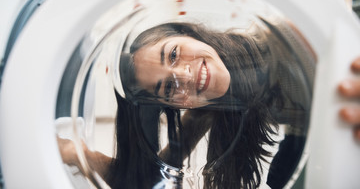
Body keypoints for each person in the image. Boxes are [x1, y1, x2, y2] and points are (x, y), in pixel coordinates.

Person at [58, 21, 358, 189]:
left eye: (173, 54)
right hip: (308, 128)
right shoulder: (209, 103)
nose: (183, 76)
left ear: (189, 33)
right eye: (167, 88)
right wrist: (78, 154)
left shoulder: (291, 40)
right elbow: (144, 181)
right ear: (175, 104)